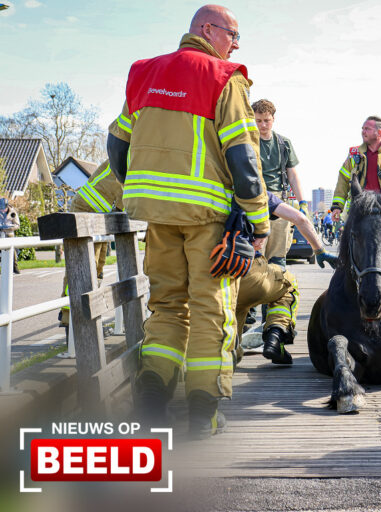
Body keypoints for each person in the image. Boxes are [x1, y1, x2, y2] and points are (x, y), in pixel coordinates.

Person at [106, 4, 271, 439]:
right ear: (207, 29)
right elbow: (243, 158)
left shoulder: (144, 73)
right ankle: (202, 416)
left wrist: (140, 190)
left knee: (166, 307)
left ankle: (151, 404)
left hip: (158, 218)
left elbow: (116, 142)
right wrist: (259, 224)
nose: (235, 44)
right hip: (207, 220)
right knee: (210, 312)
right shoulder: (225, 78)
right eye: (233, 35)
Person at [235, 191, 338, 365]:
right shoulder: (255, 192)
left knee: (228, 349)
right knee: (288, 283)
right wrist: (320, 251)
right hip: (248, 271)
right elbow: (300, 219)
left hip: (212, 276)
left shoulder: (208, 189)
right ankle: (275, 335)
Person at [59, 159, 124, 328]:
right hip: (86, 209)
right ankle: (69, 317)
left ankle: (89, 314)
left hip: (99, 214)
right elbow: (127, 189)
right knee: (84, 266)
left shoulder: (134, 151)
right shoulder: (131, 153)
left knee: (98, 267)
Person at [251, 99, 306, 270]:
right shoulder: (247, 142)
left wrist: (302, 202)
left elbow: (292, 175)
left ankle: (276, 291)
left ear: (273, 118)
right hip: (256, 200)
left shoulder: (283, 143)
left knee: (278, 256)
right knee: (256, 253)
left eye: (266, 120)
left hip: (280, 201)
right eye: (258, 121)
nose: (262, 125)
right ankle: (257, 290)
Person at [330, 116, 381, 223]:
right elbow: (343, 181)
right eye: (362, 128)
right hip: (358, 213)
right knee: (348, 239)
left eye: (367, 129)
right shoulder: (354, 154)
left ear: (379, 133)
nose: (363, 132)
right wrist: (337, 206)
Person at [0, 199, 20, 274]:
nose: (2, 211)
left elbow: (17, 225)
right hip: (0, 233)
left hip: (9, 233)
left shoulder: (13, 212)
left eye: (3, 209)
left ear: (7, 207)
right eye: (1, 209)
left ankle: (15, 266)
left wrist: (8, 227)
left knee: (13, 250)